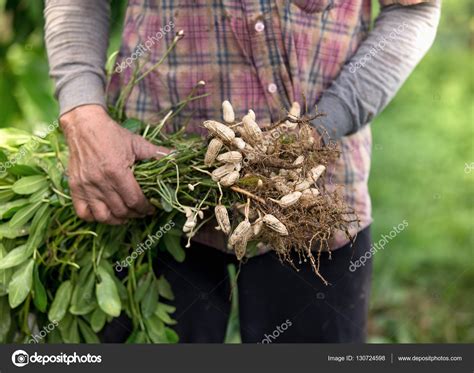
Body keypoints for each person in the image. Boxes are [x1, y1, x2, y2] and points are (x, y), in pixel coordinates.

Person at [44, 0, 440, 343]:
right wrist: (83, 113)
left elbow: (414, 8)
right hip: (152, 190)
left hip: (314, 197)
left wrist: (320, 129)